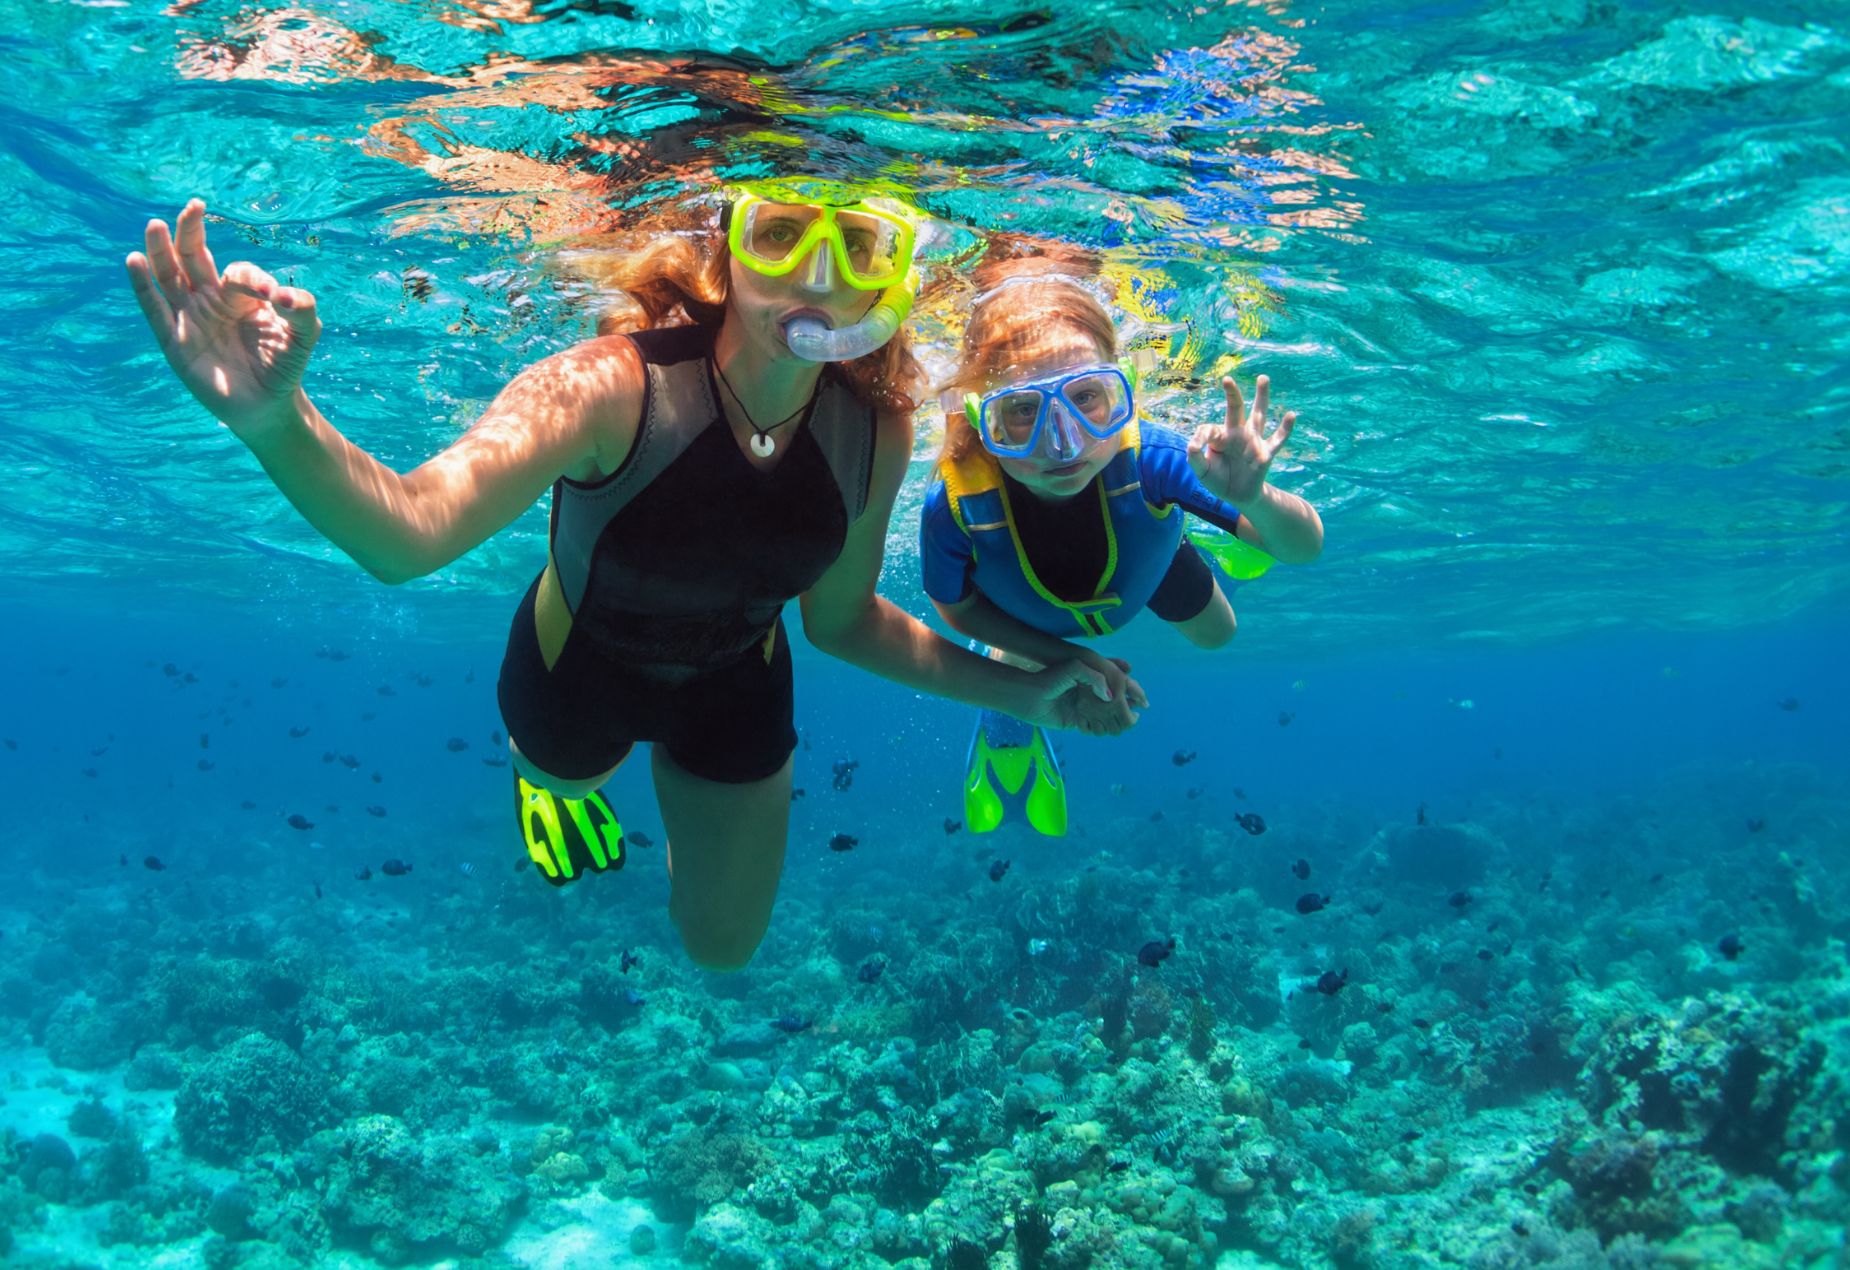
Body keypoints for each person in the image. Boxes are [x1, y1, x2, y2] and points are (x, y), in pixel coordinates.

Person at [126, 186, 1135, 970]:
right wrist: (273, 420)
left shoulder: (878, 426)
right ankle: (548, 784)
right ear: (728, 249)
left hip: (739, 680)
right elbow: (409, 535)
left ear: (888, 278)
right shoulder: (611, 385)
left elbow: (841, 624)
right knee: (567, 777)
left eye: (859, 247)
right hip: (579, 668)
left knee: (722, 950)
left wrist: (1028, 689)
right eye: (781, 235)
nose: (817, 279)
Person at [921, 266, 1324, 836]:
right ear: (976, 416)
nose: (1064, 443)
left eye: (1087, 399)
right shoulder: (954, 506)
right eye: (1021, 411)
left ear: (1119, 393)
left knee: (1220, 635)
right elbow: (955, 609)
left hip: (1145, 561)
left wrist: (1257, 502)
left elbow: (1303, 549)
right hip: (1018, 610)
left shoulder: (1156, 458)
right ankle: (1006, 717)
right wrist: (1069, 661)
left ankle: (1211, 524)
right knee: (1010, 658)